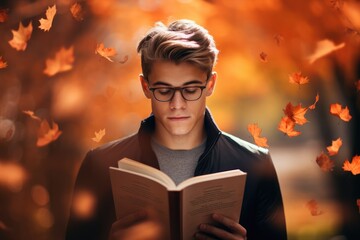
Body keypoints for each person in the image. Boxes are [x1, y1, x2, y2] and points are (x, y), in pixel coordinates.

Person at [65, 19, 287, 240]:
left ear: (210, 85)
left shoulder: (256, 165)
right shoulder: (99, 165)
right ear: (145, 87)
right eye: (164, 90)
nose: (177, 104)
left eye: (190, 90)